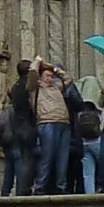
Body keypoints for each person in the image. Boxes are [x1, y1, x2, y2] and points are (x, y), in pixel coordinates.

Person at [0, 63, 38, 198]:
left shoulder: (14, 90)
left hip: (9, 142)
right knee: (22, 169)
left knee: (9, 171)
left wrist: (2, 141)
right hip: (21, 138)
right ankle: (21, 194)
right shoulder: (26, 89)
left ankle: (4, 195)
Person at [32, 62, 72, 195]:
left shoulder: (57, 87)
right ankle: (40, 186)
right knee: (47, 156)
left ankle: (61, 186)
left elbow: (68, 79)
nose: (50, 78)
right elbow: (32, 73)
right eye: (47, 76)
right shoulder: (36, 88)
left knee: (63, 158)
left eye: (51, 76)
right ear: (40, 77)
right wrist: (39, 62)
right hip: (47, 122)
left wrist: (55, 69)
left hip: (63, 123)